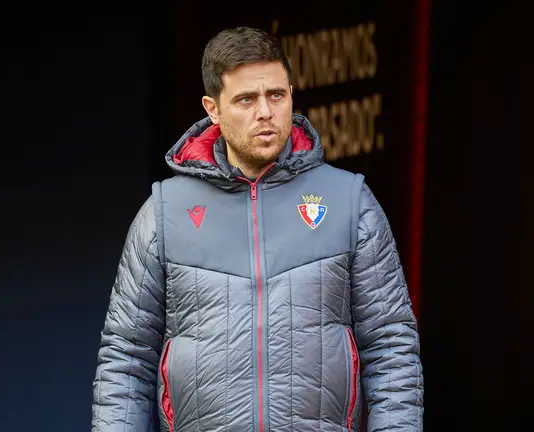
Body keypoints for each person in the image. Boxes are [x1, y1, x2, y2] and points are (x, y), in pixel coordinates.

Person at [90, 26, 423, 432]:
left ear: (291, 95)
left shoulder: (349, 202)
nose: (265, 111)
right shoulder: (165, 212)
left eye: (276, 95)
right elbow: (126, 359)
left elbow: (391, 347)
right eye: (246, 99)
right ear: (212, 109)